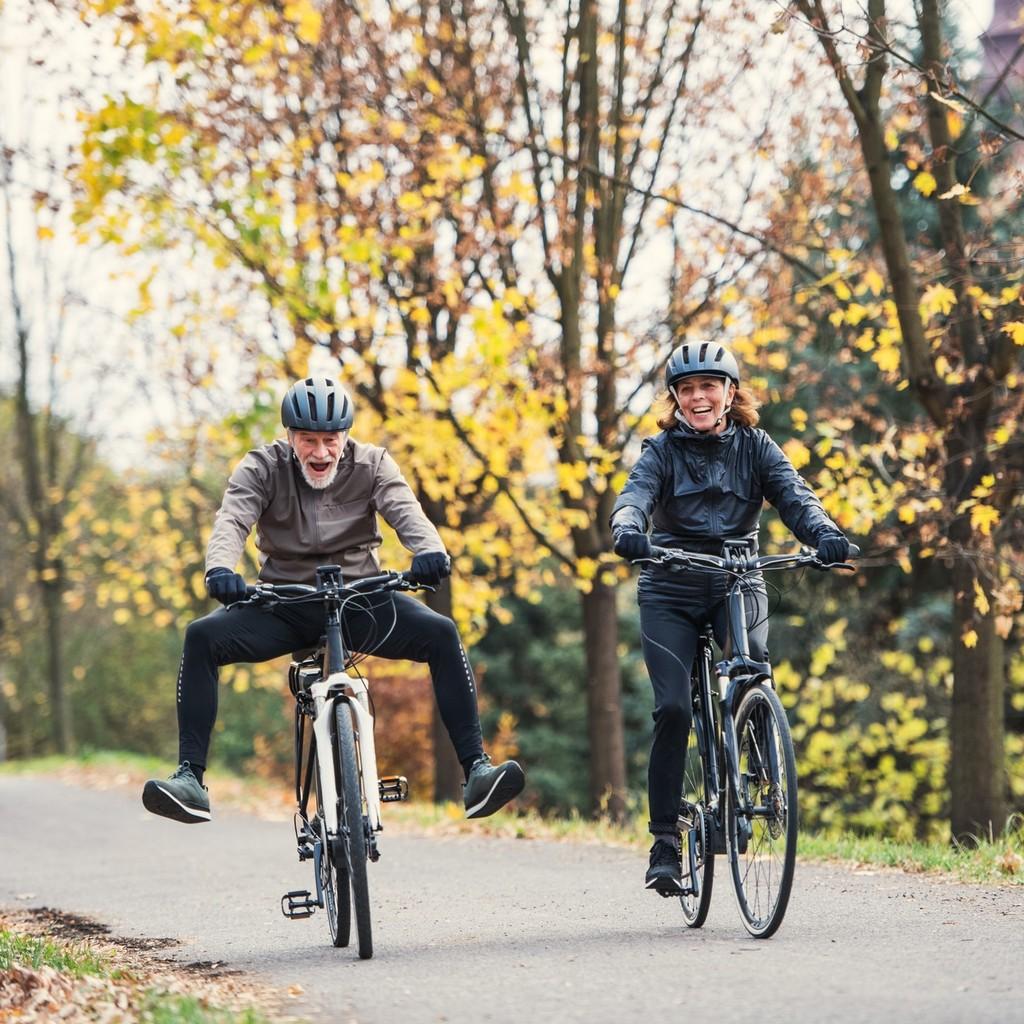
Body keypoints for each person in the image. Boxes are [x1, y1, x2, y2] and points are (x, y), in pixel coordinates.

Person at [143, 374, 525, 824]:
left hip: (361, 600)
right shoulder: (261, 468)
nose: (321, 452)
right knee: (201, 636)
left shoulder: (373, 464)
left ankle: (476, 771)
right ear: (290, 437)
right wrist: (220, 569)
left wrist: (430, 552)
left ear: (345, 435)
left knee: (441, 633)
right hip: (284, 605)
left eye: (330, 439)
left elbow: (407, 512)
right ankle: (191, 778)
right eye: (308, 440)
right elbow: (233, 519)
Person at [610, 342, 849, 893]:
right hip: (669, 586)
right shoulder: (660, 452)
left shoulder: (757, 446)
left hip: (738, 579)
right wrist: (627, 528)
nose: (698, 397)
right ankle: (665, 842)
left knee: (752, 665)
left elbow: (795, 497)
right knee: (673, 709)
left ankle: (761, 772)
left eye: (708, 386)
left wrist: (825, 534)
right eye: (687, 389)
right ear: (675, 398)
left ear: (729, 392)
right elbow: (635, 496)